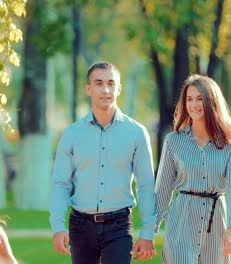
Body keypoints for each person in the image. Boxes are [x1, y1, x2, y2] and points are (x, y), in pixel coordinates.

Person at [49, 61, 158, 263]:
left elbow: (146, 185)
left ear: (119, 89)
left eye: (111, 83)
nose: (105, 89)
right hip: (80, 226)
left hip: (119, 225)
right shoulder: (72, 134)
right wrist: (57, 226)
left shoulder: (136, 133)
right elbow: (61, 184)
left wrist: (148, 232)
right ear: (88, 89)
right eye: (98, 83)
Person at [155, 74, 231, 263]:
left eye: (200, 99)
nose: (194, 105)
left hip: (216, 223)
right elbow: (163, 189)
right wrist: (149, 231)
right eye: (189, 99)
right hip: (181, 222)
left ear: (212, 102)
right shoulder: (173, 141)